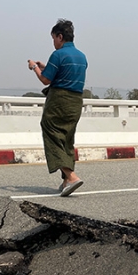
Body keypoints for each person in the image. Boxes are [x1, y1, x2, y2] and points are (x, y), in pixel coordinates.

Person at [27, 19, 88, 197]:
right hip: (76, 101)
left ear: (60, 37)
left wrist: (34, 68)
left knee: (51, 133)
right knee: (66, 138)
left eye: (54, 38)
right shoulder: (81, 56)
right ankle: (66, 181)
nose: (54, 42)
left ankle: (71, 176)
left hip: (59, 100)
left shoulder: (58, 54)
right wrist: (45, 68)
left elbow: (46, 80)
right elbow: (64, 74)